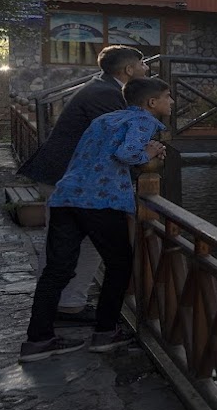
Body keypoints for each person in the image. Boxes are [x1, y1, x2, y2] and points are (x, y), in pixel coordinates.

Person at [20, 78, 173, 362]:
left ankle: (37, 340)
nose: (171, 102)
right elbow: (127, 154)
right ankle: (105, 332)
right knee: (119, 265)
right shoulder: (144, 121)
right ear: (152, 102)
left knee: (56, 270)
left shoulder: (106, 118)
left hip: (67, 195)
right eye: (167, 97)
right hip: (101, 201)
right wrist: (150, 152)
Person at [18, 46, 150, 321]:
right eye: (142, 64)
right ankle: (54, 312)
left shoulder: (102, 88)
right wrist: (148, 155)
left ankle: (68, 304)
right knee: (62, 251)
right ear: (128, 70)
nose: (146, 68)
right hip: (69, 180)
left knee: (82, 246)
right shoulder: (106, 94)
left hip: (72, 178)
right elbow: (122, 143)